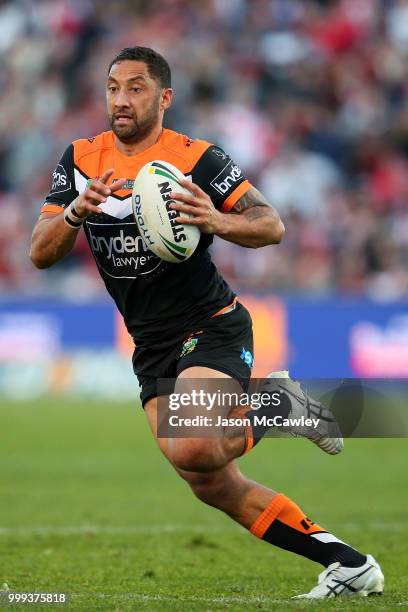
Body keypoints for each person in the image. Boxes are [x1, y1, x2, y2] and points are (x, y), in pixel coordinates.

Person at [30, 46, 383, 599]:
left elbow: (271, 225)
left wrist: (214, 218)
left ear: (165, 97)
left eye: (136, 88)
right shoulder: (80, 158)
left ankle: (279, 403)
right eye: (113, 87)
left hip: (210, 323)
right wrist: (76, 211)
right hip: (149, 343)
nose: (121, 100)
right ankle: (348, 563)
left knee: (193, 443)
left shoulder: (197, 158)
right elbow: (39, 252)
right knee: (207, 480)